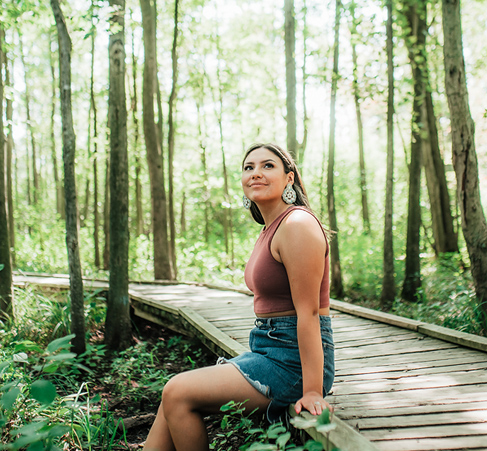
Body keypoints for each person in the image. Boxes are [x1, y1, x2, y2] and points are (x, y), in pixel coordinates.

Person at [143, 143, 334, 451]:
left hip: (293, 362)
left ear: (289, 178)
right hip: (267, 349)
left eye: (268, 166)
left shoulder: (297, 224)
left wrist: (312, 390)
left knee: (177, 391)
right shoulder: (272, 227)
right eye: (249, 167)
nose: (256, 173)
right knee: (171, 398)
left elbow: (309, 314)